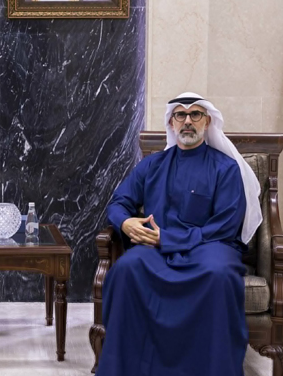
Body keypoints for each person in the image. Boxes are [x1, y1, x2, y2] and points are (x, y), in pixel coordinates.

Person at [96, 92, 263, 376]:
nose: (187, 121)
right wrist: (125, 223)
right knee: (125, 269)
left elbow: (226, 225)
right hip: (156, 250)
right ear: (171, 123)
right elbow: (118, 202)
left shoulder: (225, 168)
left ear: (207, 121)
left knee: (219, 275)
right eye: (180, 115)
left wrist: (168, 239)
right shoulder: (152, 165)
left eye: (195, 114)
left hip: (210, 246)